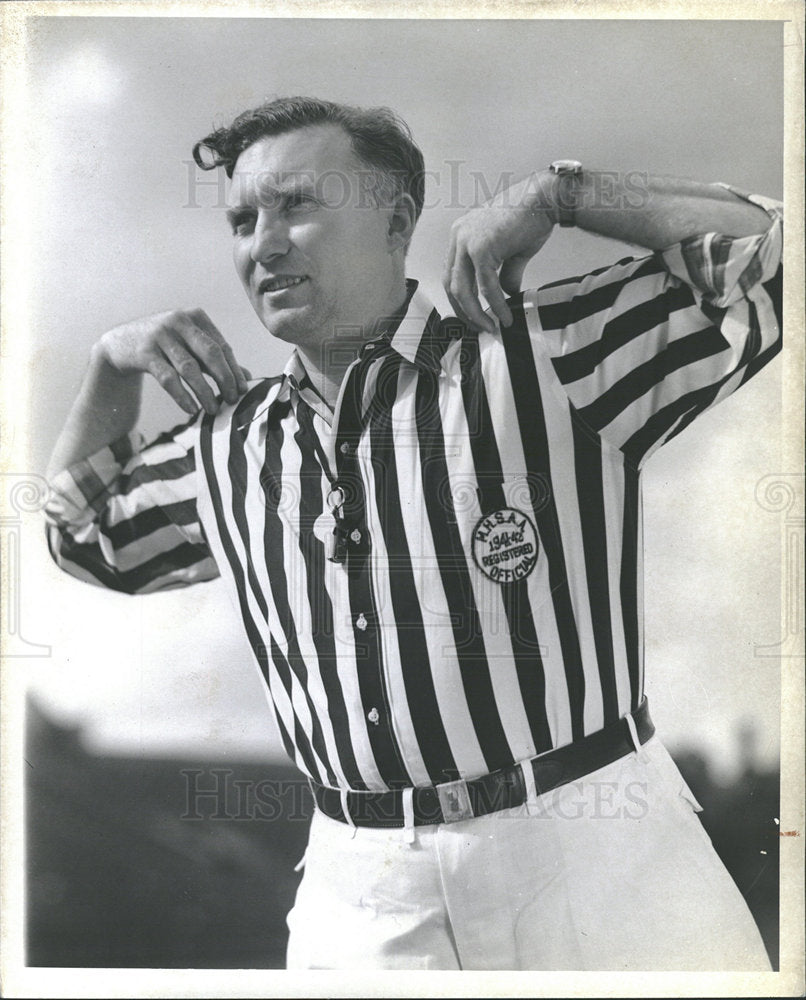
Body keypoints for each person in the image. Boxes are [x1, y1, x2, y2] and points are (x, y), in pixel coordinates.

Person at [44, 96, 783, 971]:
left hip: (598, 851)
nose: (264, 243)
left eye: (299, 205)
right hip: (361, 898)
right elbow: (80, 532)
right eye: (244, 218)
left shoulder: (541, 354)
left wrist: (563, 194)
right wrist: (109, 364)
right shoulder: (225, 446)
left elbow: (774, 261)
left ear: (396, 223)